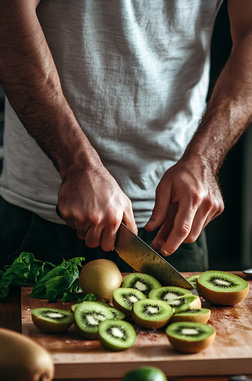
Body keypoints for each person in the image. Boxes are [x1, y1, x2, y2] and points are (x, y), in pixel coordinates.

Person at [0, 0, 251, 273]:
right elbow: (9, 14)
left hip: (173, 222)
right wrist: (76, 165)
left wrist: (204, 158)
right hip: (40, 212)